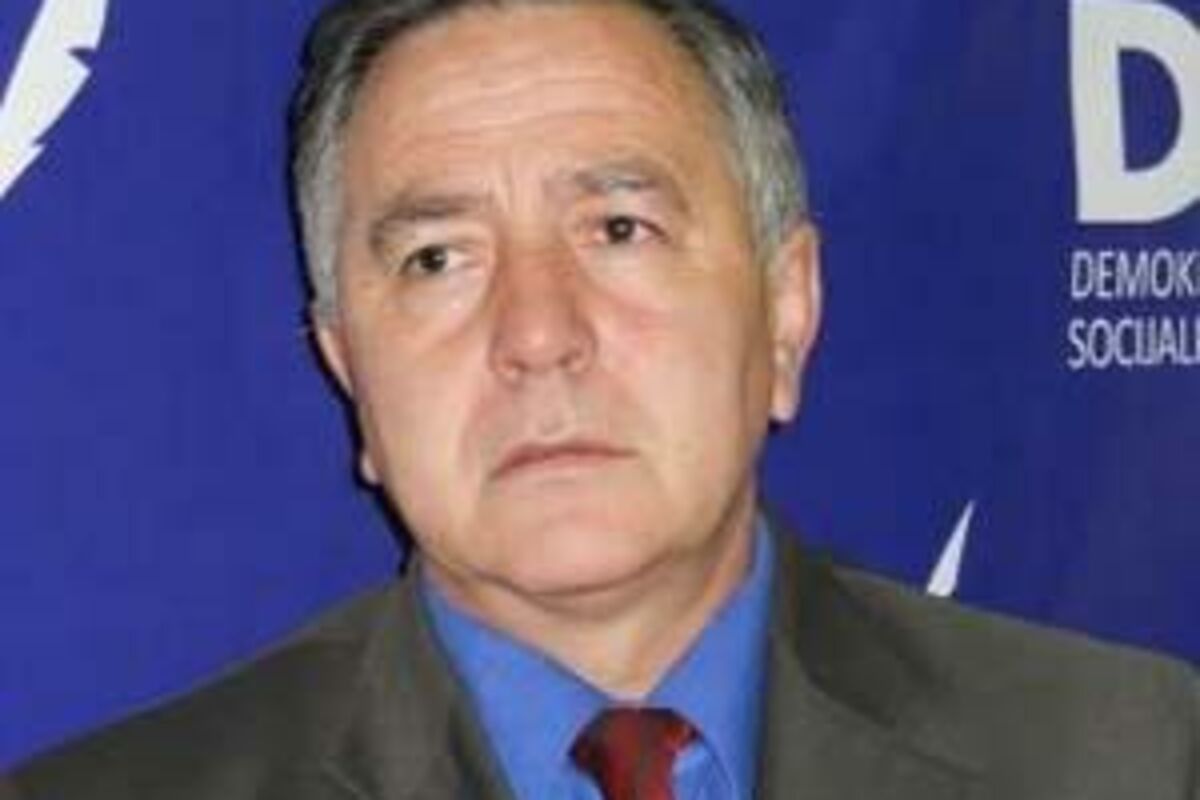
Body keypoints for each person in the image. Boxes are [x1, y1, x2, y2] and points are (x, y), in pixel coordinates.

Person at [7, 0, 1198, 798]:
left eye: (619, 229)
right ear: (350, 370)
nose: (538, 335)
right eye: (438, 258)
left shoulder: (1131, 754)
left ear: (787, 309)